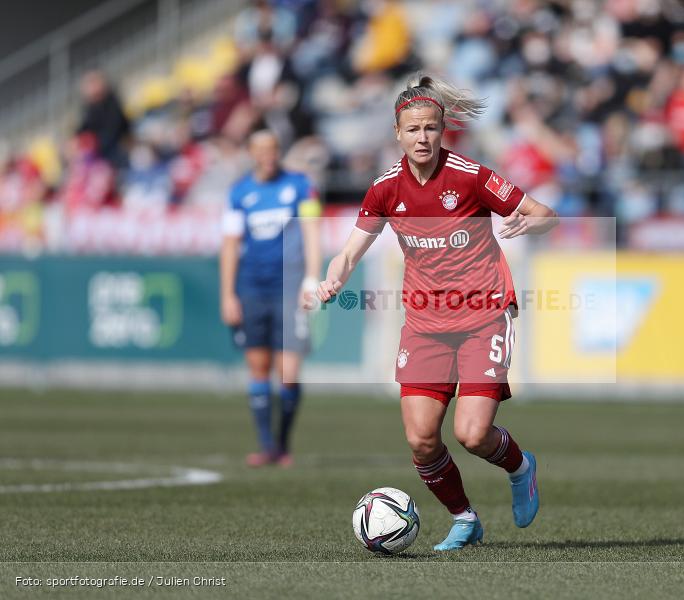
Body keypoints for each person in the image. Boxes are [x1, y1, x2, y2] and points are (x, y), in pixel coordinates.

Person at [315, 74, 558, 550]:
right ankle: (465, 518)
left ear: (442, 129)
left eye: (431, 129)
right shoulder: (386, 188)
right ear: (397, 133)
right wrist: (334, 278)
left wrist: (526, 225)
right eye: (413, 130)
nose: (422, 138)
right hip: (426, 324)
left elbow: (546, 213)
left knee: (472, 433)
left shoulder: (470, 176)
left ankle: (521, 467)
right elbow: (348, 252)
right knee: (422, 439)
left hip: (484, 315)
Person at [220, 129, 321, 467]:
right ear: (251, 152)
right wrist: (228, 294)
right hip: (252, 287)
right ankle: (267, 446)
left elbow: (311, 232)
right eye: (261, 149)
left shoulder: (300, 186)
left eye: (273, 148)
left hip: (289, 286)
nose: (268, 154)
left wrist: (311, 277)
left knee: (288, 370)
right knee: (258, 367)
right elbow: (230, 246)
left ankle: (283, 444)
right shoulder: (239, 193)